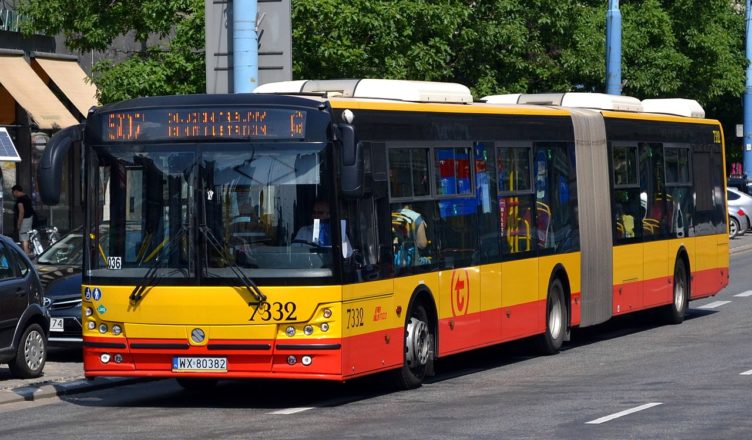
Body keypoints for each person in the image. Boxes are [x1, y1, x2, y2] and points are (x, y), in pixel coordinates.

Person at [12, 185, 35, 255]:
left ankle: (26, 253)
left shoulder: (20, 200)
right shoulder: (27, 197)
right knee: (27, 236)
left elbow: (21, 212)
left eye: (13, 192)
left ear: (16, 191)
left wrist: (18, 224)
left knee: (23, 237)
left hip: (24, 220)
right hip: (29, 219)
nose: (13, 194)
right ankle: (28, 251)